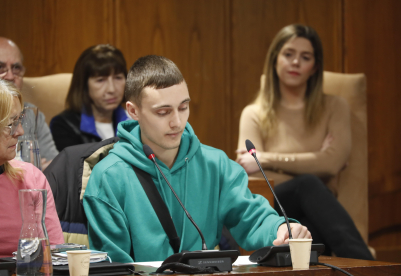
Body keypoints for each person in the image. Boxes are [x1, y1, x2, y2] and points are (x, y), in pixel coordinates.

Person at [83, 55, 311, 263]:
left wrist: (281, 229)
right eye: (163, 112)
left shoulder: (215, 164)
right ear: (133, 111)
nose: (177, 122)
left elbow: (251, 217)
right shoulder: (108, 177)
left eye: (183, 107)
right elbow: (113, 264)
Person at [236, 24, 373, 260]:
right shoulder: (254, 113)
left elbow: (332, 162)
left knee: (311, 228)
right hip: (273, 206)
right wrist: (315, 160)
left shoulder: (335, 107)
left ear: (315, 67)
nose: (296, 62)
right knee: (308, 184)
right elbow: (257, 180)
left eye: (305, 57)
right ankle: (368, 267)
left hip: (315, 211)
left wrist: (267, 158)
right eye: (288, 54)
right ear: (275, 59)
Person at [0, 76, 64, 261]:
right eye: (11, 124)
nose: (20, 132)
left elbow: (55, 255)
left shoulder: (31, 178)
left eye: (19, 120)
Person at [0, 37, 59, 170]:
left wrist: (32, 173)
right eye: (0, 67)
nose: (9, 76)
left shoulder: (31, 113)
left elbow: (54, 166)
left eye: (16, 68)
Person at [50, 44, 129, 152]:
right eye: (101, 80)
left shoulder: (134, 120)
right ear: (84, 85)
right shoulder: (64, 125)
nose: (112, 89)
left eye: (118, 78)